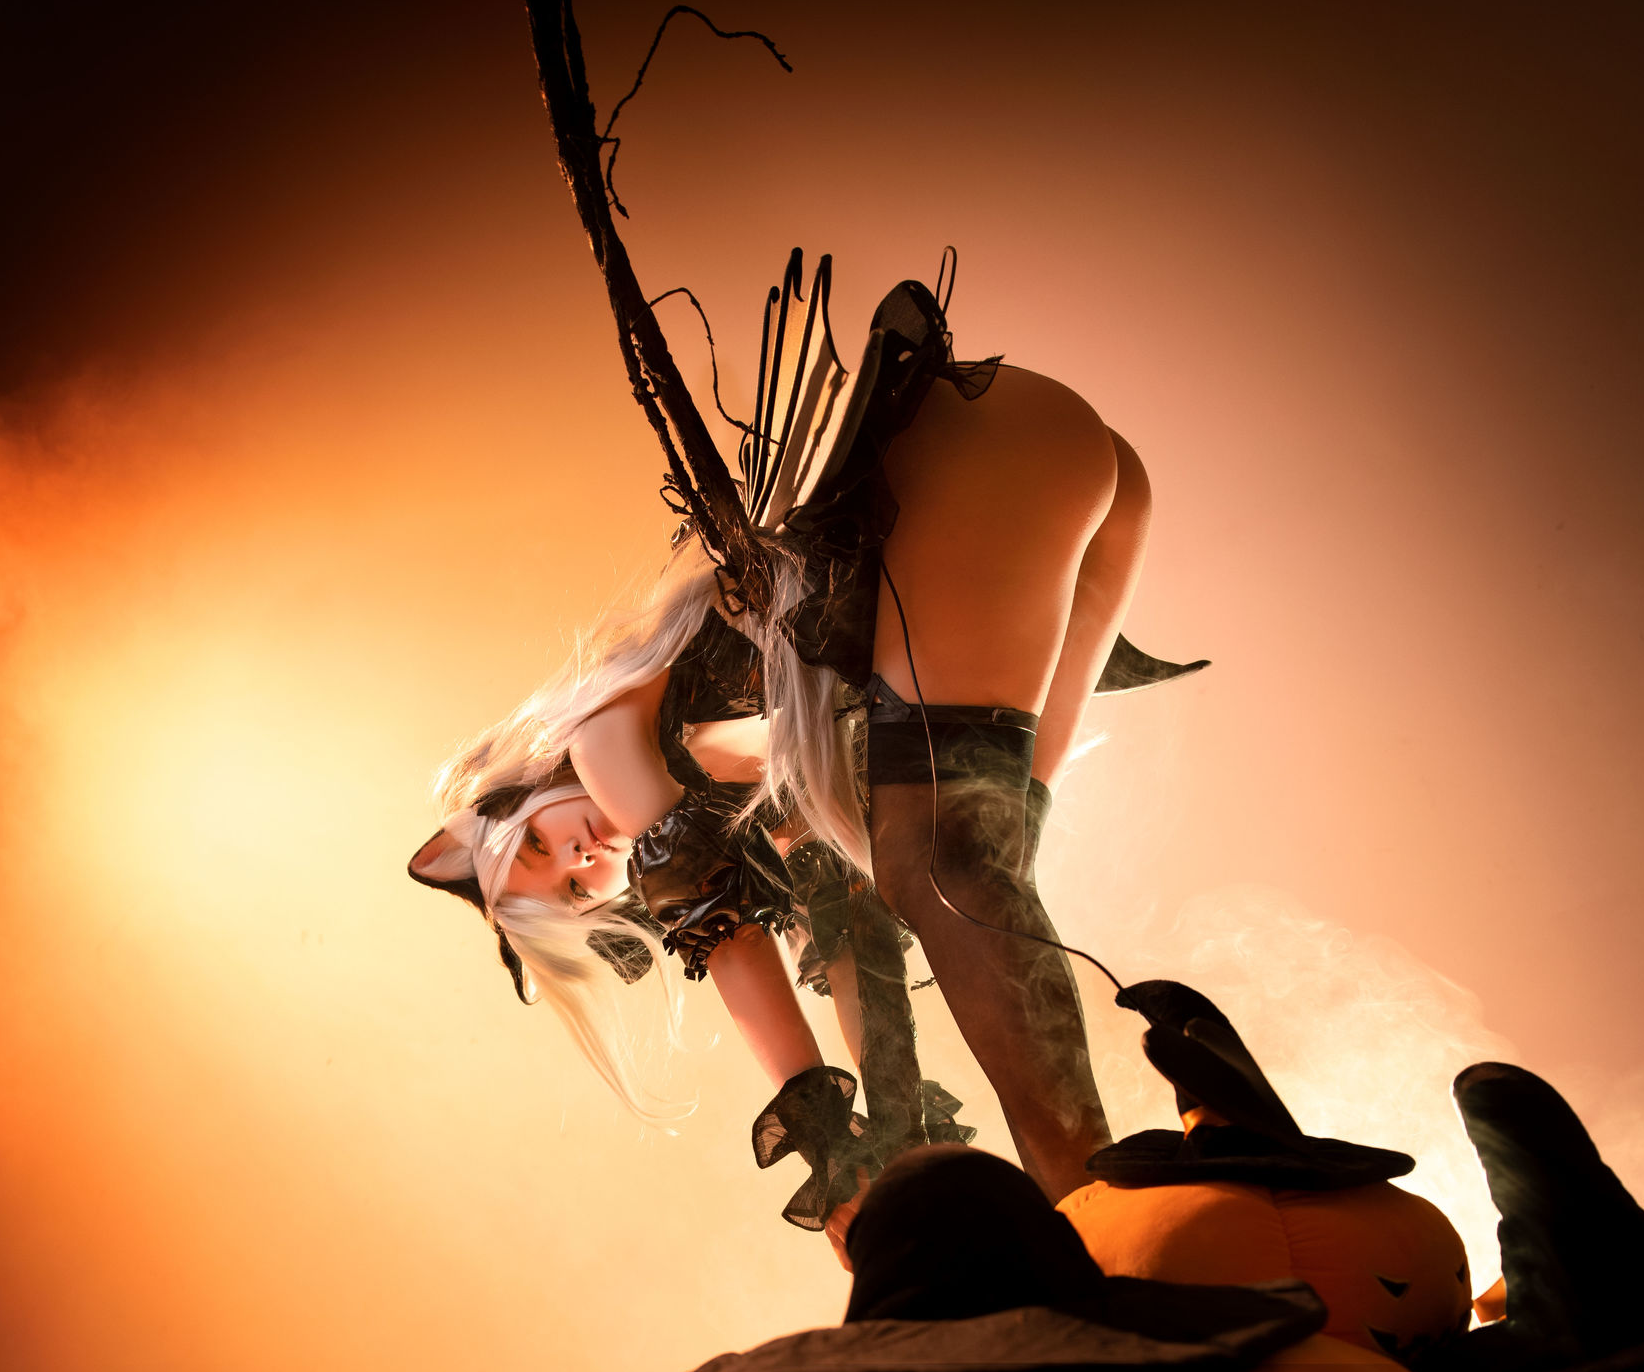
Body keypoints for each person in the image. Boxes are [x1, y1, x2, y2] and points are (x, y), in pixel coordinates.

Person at [410, 272, 1199, 1231]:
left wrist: (830, 1148)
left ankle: (1096, 1213)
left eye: (538, 845)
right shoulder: (764, 815)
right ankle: (1113, 1208)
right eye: (578, 888)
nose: (579, 855)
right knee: (973, 872)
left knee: (943, 864)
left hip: (973, 453)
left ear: (518, 800)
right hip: (1080, 484)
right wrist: (894, 1134)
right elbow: (851, 945)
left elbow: (731, 941)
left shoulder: (599, 735)